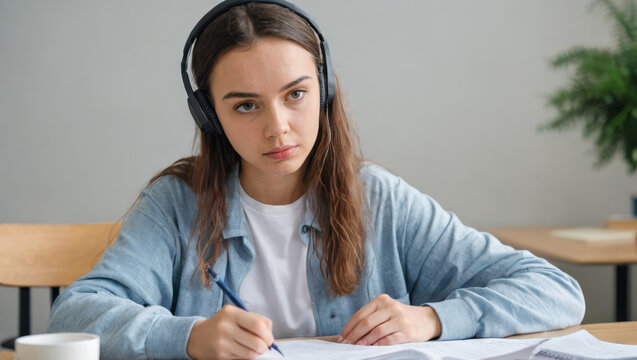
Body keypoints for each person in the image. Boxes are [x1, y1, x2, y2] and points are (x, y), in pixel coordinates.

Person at [48, 1, 585, 359]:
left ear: (324, 92)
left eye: (296, 94)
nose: (277, 126)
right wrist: (188, 336)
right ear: (210, 117)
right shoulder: (176, 203)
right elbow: (75, 312)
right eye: (245, 106)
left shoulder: (379, 199)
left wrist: (433, 319)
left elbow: (554, 291)